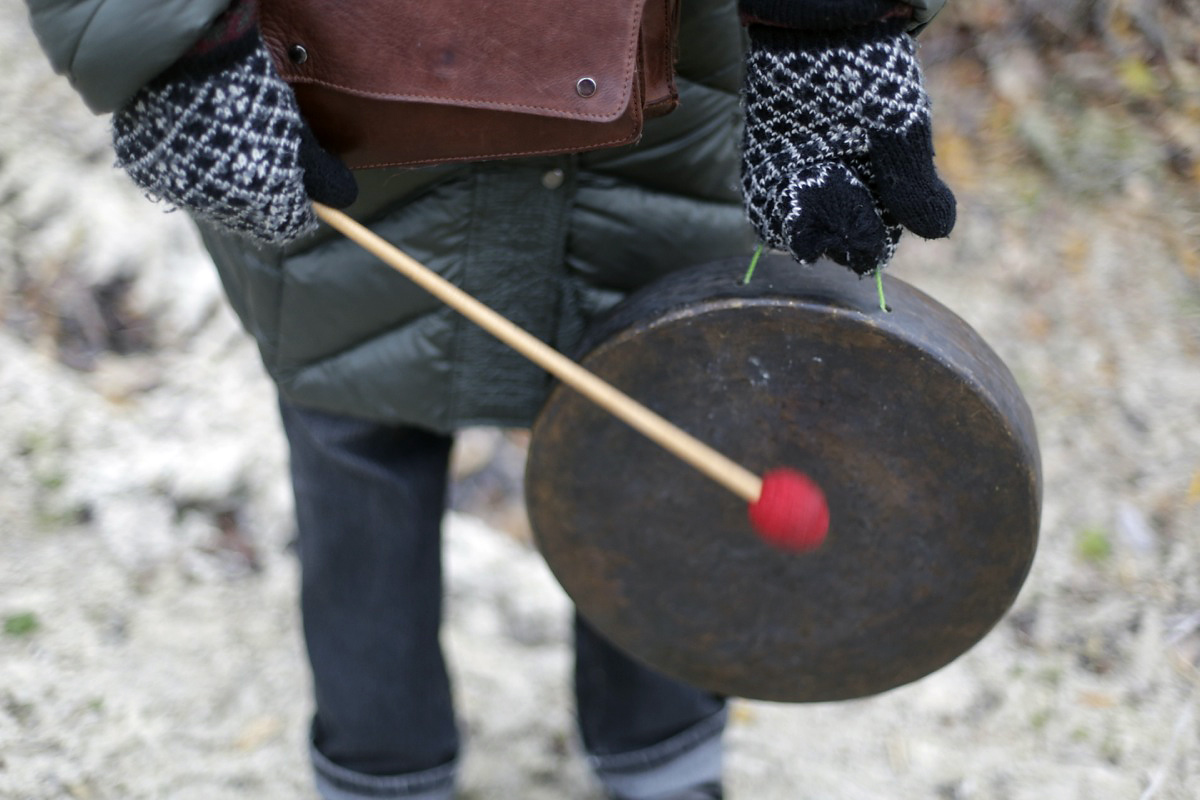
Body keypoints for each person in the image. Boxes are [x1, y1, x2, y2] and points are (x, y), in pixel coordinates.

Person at [24, 0, 953, 797]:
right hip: (341, 91)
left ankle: (664, 754)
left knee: (663, 404)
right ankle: (380, 766)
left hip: (670, 94)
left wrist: (833, 20)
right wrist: (173, 44)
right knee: (358, 422)